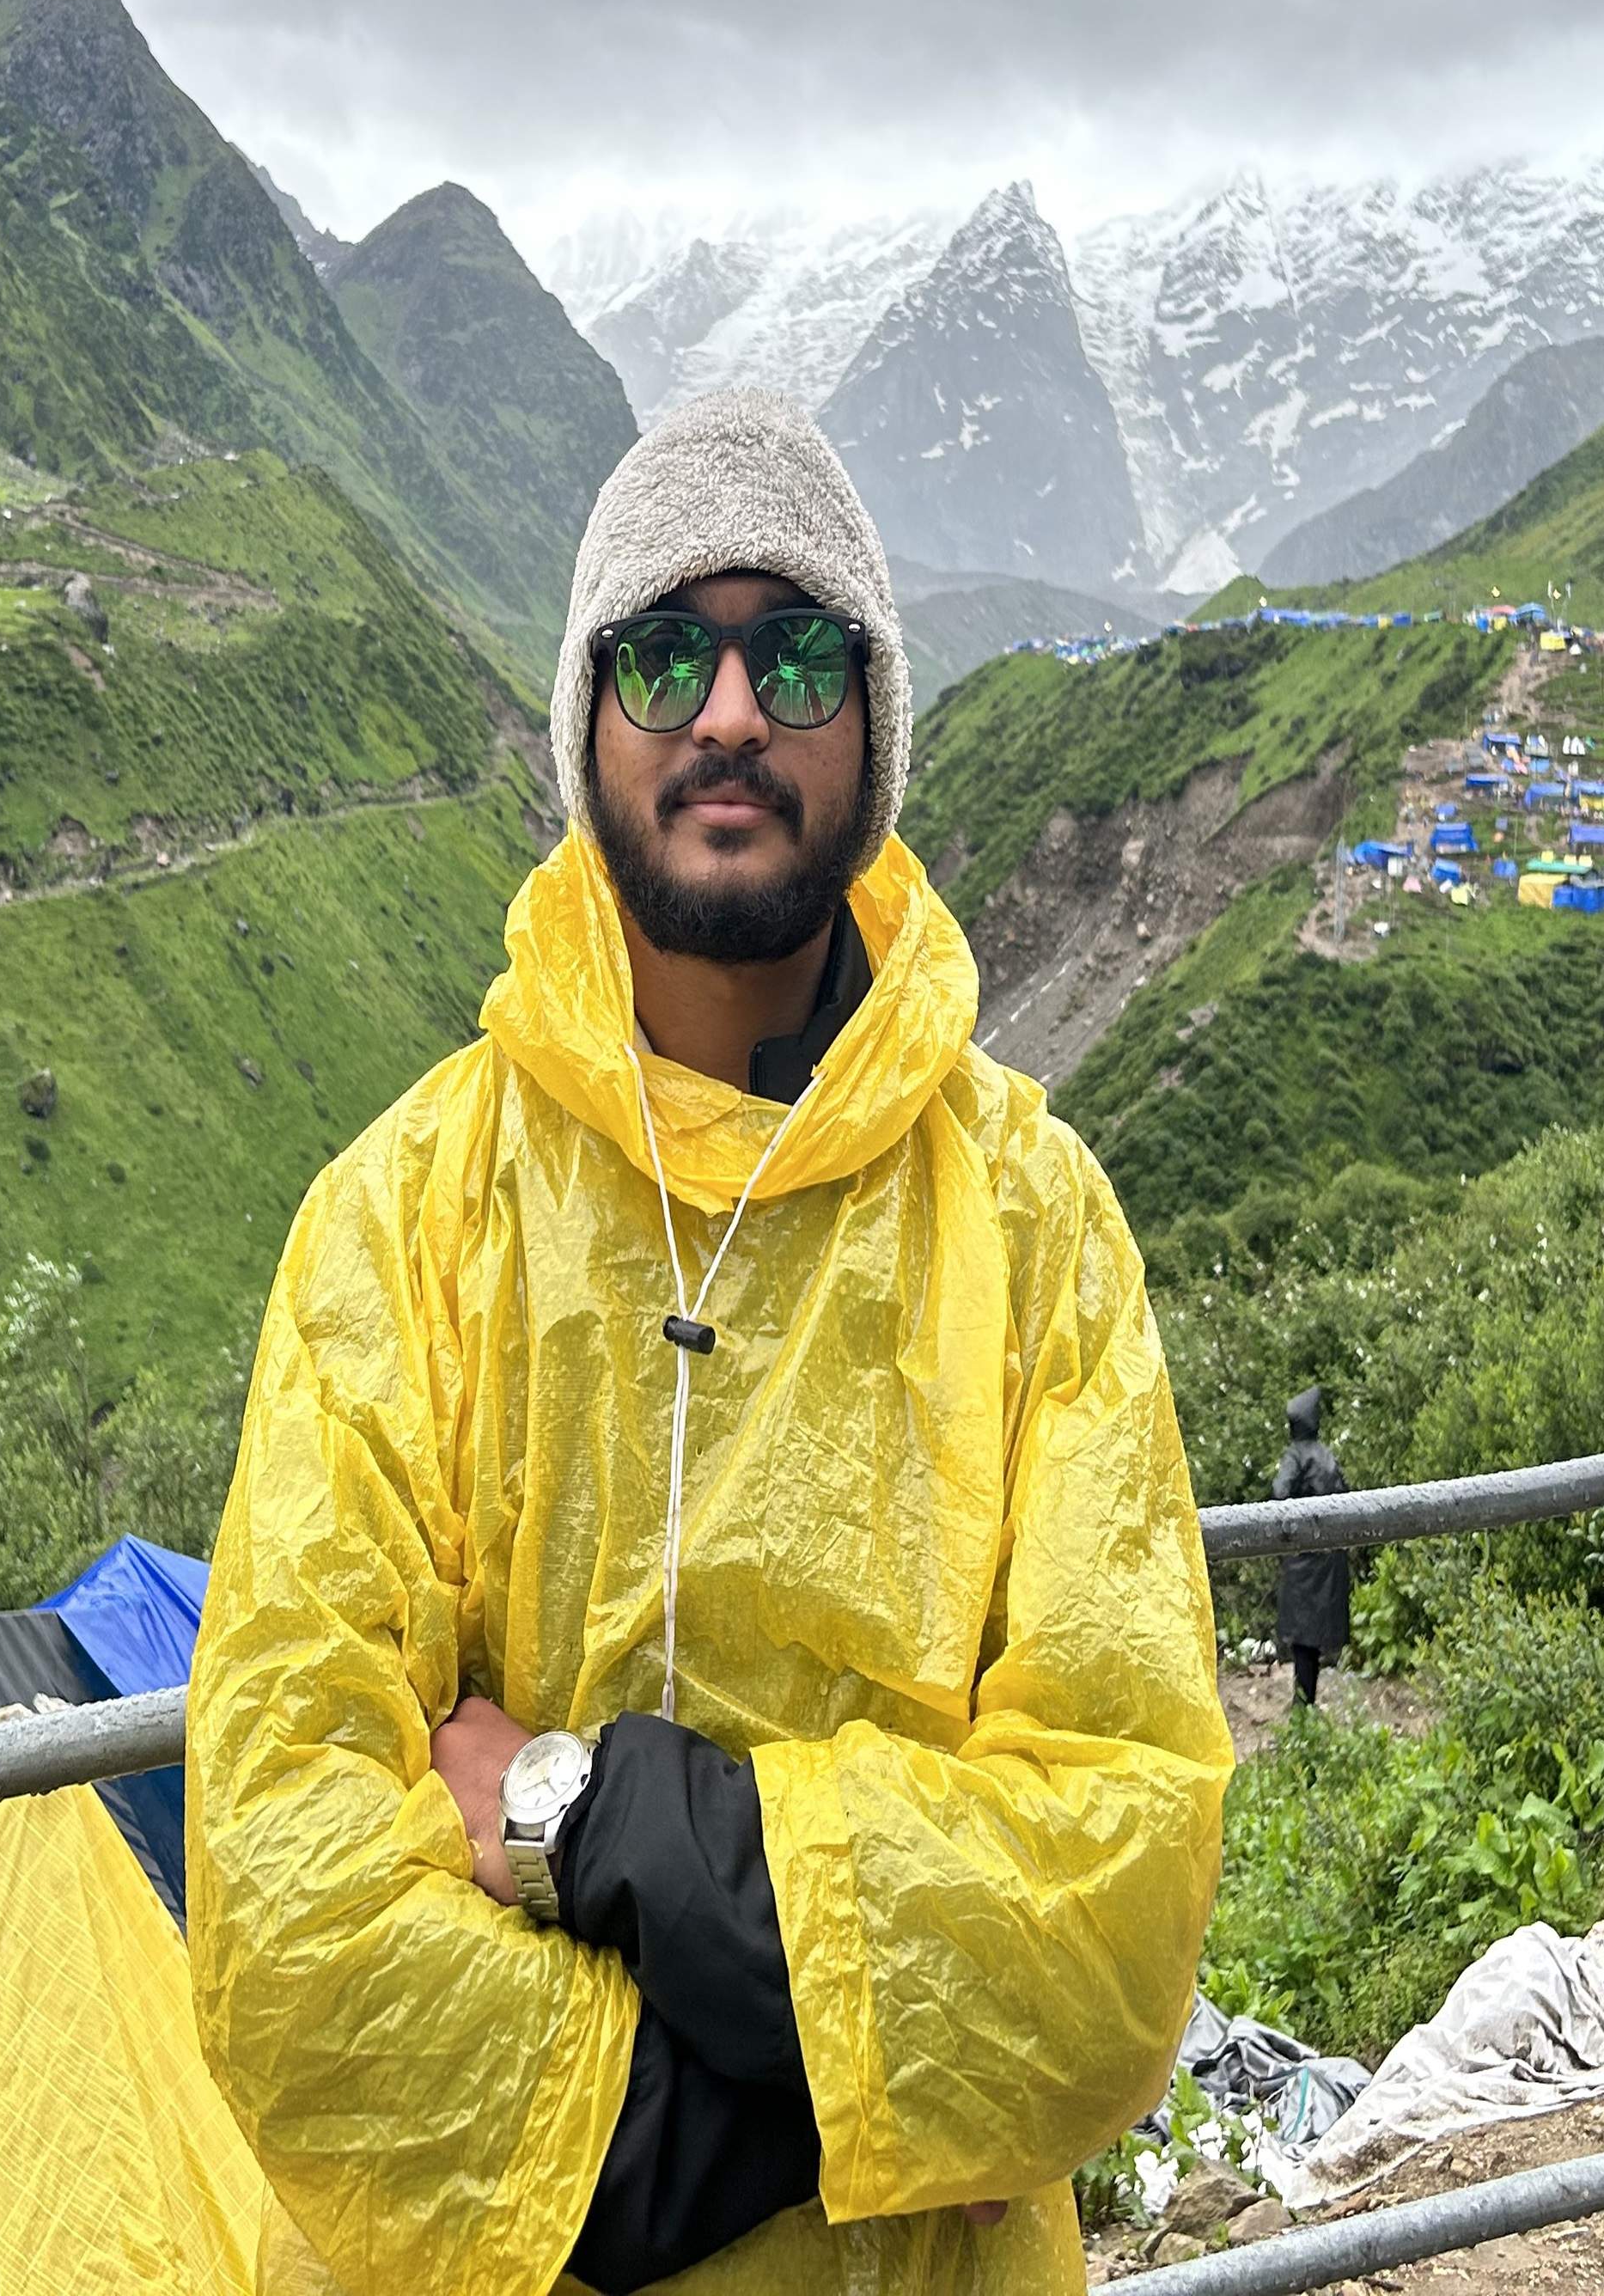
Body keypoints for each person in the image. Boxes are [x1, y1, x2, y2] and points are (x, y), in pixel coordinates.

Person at [188, 390, 1233, 2296]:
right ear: (590, 720)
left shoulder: (1032, 1221)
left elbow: (1115, 1892)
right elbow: (291, 1908)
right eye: (666, 649)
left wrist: (577, 1812)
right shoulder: (402, 1221)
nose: (731, 707)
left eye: (798, 648)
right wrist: (803, 2110)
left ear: (874, 720)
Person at [1269, 1387, 1351, 1707]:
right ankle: (1307, 1701)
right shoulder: (1328, 1456)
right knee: (1312, 1636)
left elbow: (1279, 1493)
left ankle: (1303, 1706)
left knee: (1304, 1635)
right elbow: (1346, 1497)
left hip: (1304, 1560)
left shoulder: (1296, 1455)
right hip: (1328, 1558)